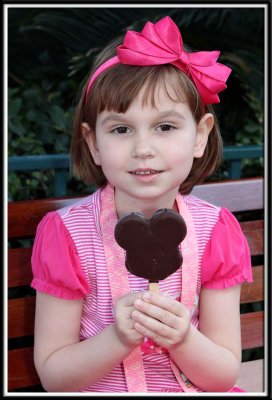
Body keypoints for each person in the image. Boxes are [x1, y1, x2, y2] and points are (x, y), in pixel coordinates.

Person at [31, 16, 253, 393]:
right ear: (93, 144)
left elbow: (222, 376)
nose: (143, 149)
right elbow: (55, 378)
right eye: (121, 129)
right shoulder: (66, 235)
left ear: (200, 136)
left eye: (165, 127)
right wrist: (117, 337)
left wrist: (183, 338)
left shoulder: (216, 231)